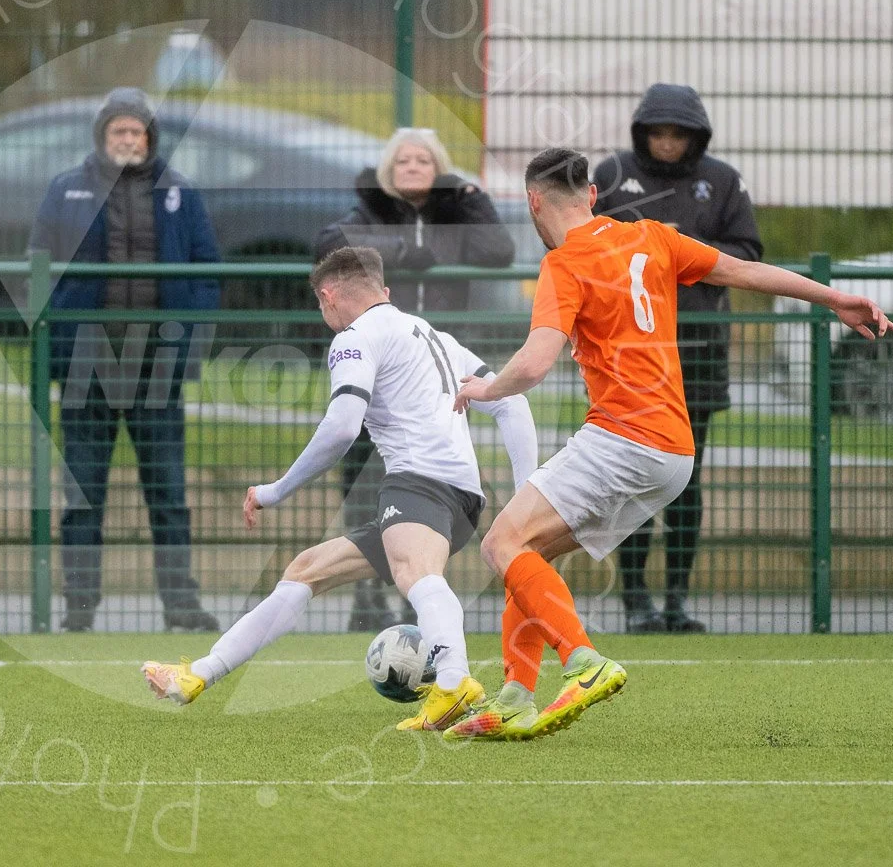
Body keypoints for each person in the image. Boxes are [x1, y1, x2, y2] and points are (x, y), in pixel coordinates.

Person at [446, 148, 893, 742]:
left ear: (533, 201)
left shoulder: (564, 264)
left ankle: (582, 661)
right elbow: (744, 270)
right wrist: (835, 298)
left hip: (622, 437)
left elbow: (532, 366)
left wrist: (484, 388)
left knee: (501, 541)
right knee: (530, 553)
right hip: (674, 452)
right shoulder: (653, 237)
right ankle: (514, 698)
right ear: (594, 196)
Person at [142, 246, 537, 733]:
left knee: (417, 573)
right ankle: (196, 676)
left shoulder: (356, 336)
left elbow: (342, 426)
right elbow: (512, 405)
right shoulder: (437, 336)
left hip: (417, 482)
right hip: (460, 499)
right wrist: (523, 495)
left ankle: (454, 682)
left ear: (327, 297)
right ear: (384, 292)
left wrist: (276, 489)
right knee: (307, 570)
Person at [29, 87, 220, 633]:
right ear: (102, 135)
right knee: (83, 493)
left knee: (168, 492)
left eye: (137, 132)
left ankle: (180, 603)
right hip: (86, 365)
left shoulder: (180, 192)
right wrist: (56, 346)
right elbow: (37, 266)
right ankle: (78, 607)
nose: (128, 140)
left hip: (157, 366)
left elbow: (207, 269)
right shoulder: (65, 189)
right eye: (119, 131)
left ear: (150, 138)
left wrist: (188, 343)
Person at [313, 128, 515, 632]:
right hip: (380, 368)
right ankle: (366, 594)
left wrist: (471, 198)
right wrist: (404, 249)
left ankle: (417, 589)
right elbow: (331, 244)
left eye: (424, 159)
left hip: (440, 370)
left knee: (431, 478)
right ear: (388, 168)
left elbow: (500, 250)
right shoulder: (370, 210)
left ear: (439, 167)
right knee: (363, 475)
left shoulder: (456, 210)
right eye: (402, 159)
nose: (412, 166)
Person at [593, 83, 764, 633]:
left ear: (696, 136)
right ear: (642, 133)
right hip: (627, 356)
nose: (667, 142)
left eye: (678, 133)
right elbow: (580, 241)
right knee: (632, 481)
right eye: (657, 132)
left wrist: (679, 250)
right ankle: (635, 600)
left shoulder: (722, 180)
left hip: (698, 353)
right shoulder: (612, 174)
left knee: (687, 481)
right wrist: (638, 247)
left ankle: (677, 602)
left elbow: (749, 251)